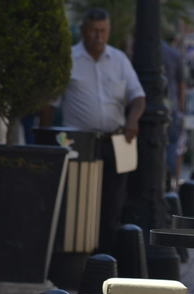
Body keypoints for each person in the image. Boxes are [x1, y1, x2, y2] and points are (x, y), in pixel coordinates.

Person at [42, 8, 145, 253]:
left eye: (103, 31)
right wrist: (45, 142)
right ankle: (76, 256)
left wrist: (133, 119)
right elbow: (49, 104)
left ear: (109, 31)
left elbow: (138, 96)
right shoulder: (69, 59)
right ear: (83, 31)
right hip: (78, 144)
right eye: (93, 31)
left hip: (115, 142)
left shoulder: (119, 59)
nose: (98, 36)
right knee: (78, 202)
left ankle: (105, 260)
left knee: (112, 204)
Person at [162, 35, 186, 190]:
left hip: (158, 106)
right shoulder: (174, 54)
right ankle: (172, 181)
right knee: (174, 145)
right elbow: (181, 84)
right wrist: (181, 107)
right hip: (172, 107)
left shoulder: (143, 49)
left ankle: (166, 178)